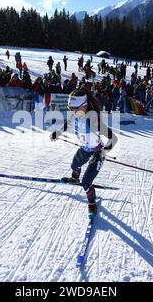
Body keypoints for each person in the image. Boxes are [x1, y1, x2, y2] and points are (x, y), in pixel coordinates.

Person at [50, 86, 118, 219]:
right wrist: (57, 133)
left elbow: (113, 138)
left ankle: (92, 202)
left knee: (86, 183)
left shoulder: (93, 120)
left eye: (75, 109)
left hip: (97, 152)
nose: (72, 112)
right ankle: (75, 178)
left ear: (84, 105)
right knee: (74, 165)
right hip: (85, 149)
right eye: (70, 109)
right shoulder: (75, 115)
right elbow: (67, 123)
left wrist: (103, 152)